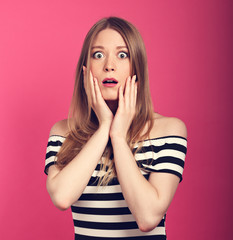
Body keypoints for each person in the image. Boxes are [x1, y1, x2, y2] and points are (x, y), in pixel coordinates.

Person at [44, 16, 187, 240]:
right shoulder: (63, 132)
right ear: (85, 70)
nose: (109, 65)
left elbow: (148, 217)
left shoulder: (168, 130)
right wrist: (104, 128)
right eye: (98, 55)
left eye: (123, 55)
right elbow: (62, 197)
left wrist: (118, 136)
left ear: (136, 68)